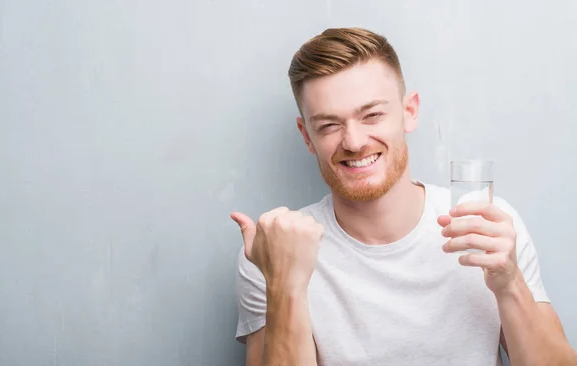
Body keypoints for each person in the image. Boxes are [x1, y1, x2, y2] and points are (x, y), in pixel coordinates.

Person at [230, 27, 576, 366]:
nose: (353, 141)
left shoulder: (485, 224)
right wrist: (285, 285)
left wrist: (509, 282)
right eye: (329, 125)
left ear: (409, 112)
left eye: (373, 115)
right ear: (307, 136)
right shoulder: (273, 250)